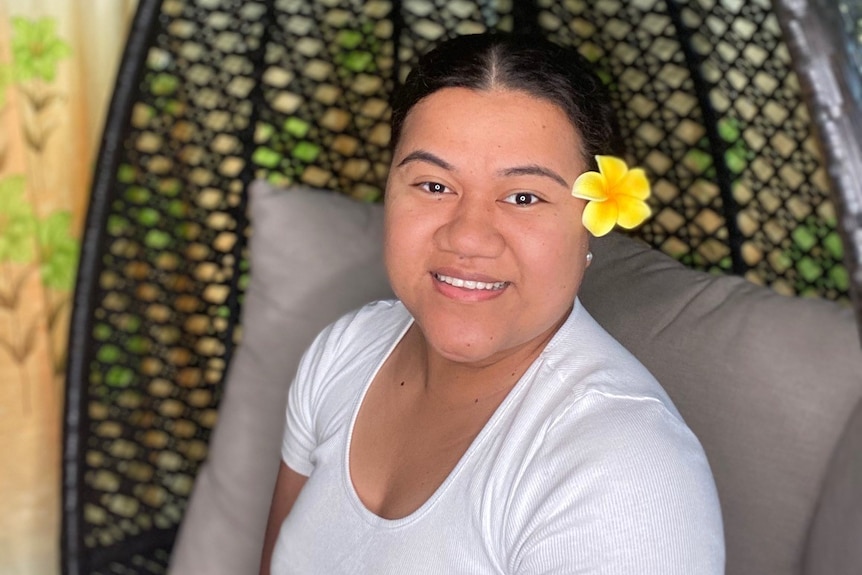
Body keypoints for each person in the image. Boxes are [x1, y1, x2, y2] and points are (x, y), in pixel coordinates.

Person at [260, 33, 724, 574]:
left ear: (590, 227)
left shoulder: (626, 472)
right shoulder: (343, 353)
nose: (468, 237)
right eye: (434, 185)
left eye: (523, 197)